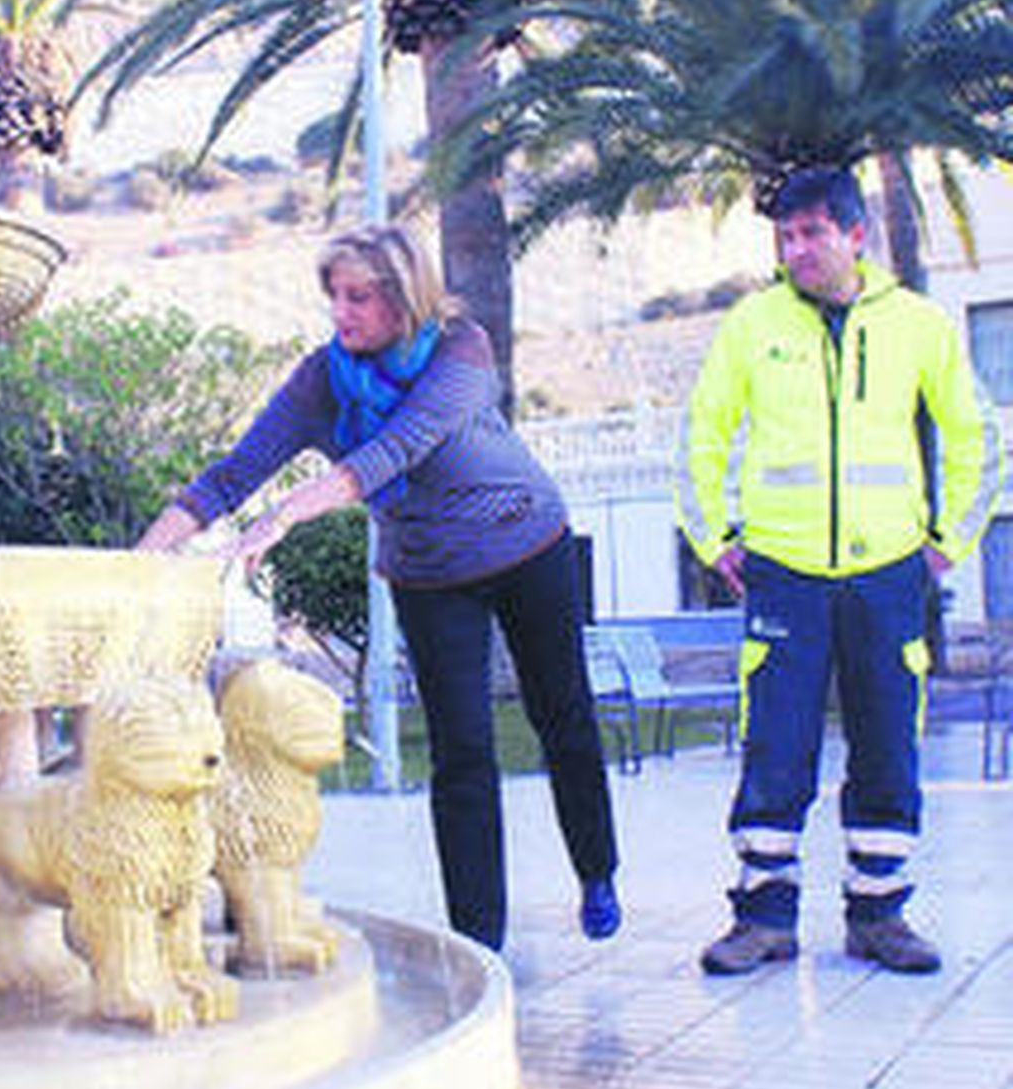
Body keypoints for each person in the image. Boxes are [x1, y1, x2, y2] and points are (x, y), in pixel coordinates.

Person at [137, 223, 621, 952]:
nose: (341, 311)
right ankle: (478, 943)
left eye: (359, 296)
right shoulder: (320, 381)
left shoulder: (461, 347)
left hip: (528, 542)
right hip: (429, 571)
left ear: (405, 297)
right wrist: (136, 560)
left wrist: (285, 514)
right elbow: (231, 475)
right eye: (334, 294)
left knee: (564, 716)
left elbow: (395, 449)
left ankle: (597, 869)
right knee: (461, 753)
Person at [677, 165, 1003, 975]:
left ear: (857, 234)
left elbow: (976, 435)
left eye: (812, 233)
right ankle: (763, 916)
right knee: (774, 745)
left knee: (889, 739)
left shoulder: (919, 325)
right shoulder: (753, 325)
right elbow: (703, 434)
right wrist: (713, 537)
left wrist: (945, 541)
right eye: (786, 237)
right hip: (781, 572)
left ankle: (880, 913)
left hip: (889, 573)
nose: (797, 250)